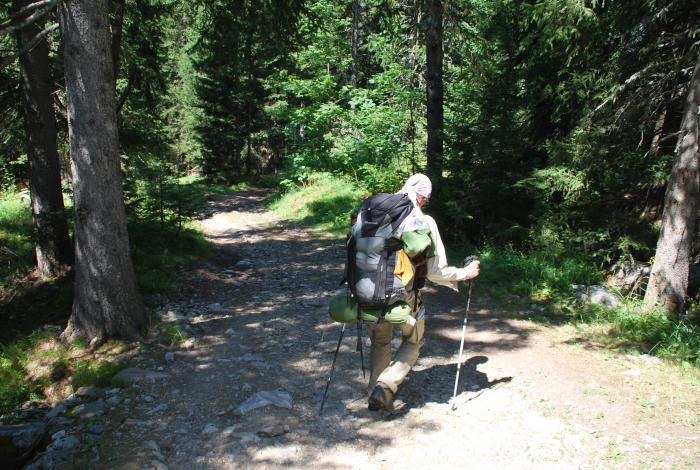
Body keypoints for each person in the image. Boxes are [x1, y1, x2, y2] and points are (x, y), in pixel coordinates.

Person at [366, 173, 480, 411]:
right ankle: (384, 387)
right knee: (412, 341)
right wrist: (464, 273)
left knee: (380, 341)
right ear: (421, 197)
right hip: (403, 296)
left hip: (368, 290)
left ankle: (374, 395)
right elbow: (435, 272)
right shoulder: (422, 221)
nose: (425, 202)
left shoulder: (375, 213)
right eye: (426, 198)